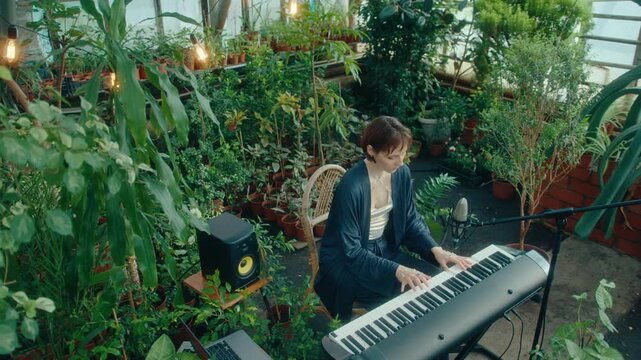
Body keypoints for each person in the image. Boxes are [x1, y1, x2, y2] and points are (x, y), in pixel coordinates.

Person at [314, 116, 471, 321]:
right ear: (371, 151)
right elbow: (351, 251)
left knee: (437, 281)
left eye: (403, 155)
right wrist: (397, 270)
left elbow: (410, 220)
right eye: (393, 157)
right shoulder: (351, 186)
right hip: (349, 261)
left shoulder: (400, 173)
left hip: (384, 250)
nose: (400, 163)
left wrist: (435, 249)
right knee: (412, 298)